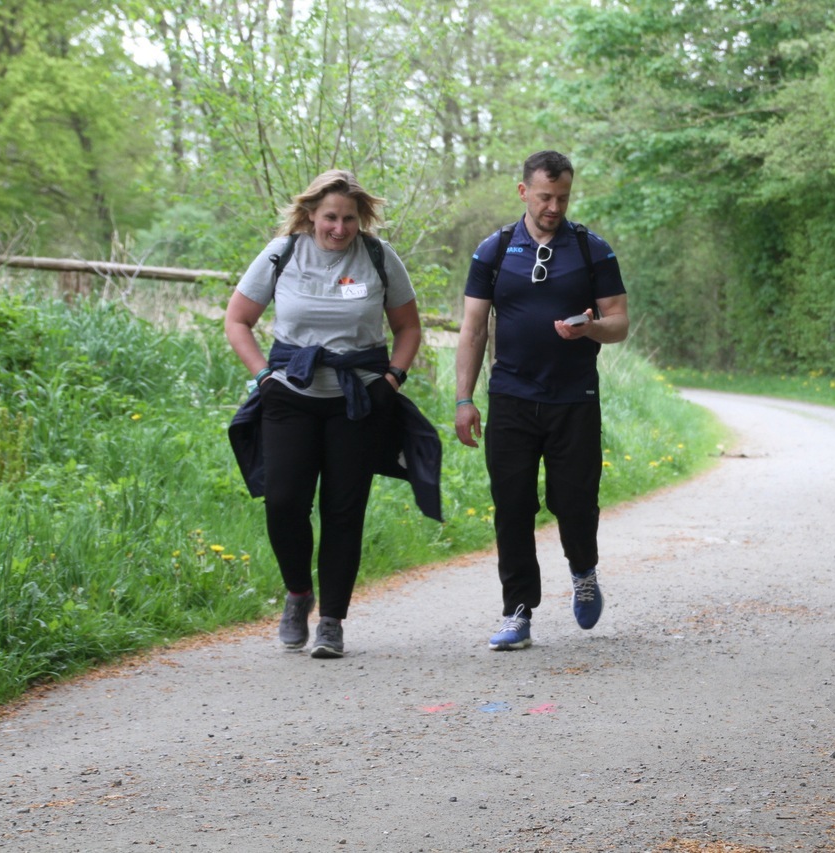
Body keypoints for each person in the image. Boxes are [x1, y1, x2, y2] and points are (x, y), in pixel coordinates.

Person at [225, 169, 426, 659]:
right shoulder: (282, 254)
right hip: (289, 396)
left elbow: (408, 328)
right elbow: (237, 320)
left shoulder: (378, 257)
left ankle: (332, 620)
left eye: (349, 219)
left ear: (361, 218)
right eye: (330, 217)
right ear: (311, 214)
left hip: (356, 402)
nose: (339, 228)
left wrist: (393, 379)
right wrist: (262, 377)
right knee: (283, 501)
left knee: (343, 509)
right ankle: (298, 593)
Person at [454, 150, 630, 651]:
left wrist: (590, 328)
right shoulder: (493, 250)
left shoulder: (592, 250)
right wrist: (464, 398)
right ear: (523, 191)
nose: (554, 207)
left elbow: (619, 321)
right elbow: (473, 330)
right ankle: (517, 611)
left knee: (574, 503)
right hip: (510, 397)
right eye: (545, 196)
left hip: (574, 399)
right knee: (512, 507)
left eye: (563, 198)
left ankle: (583, 571)